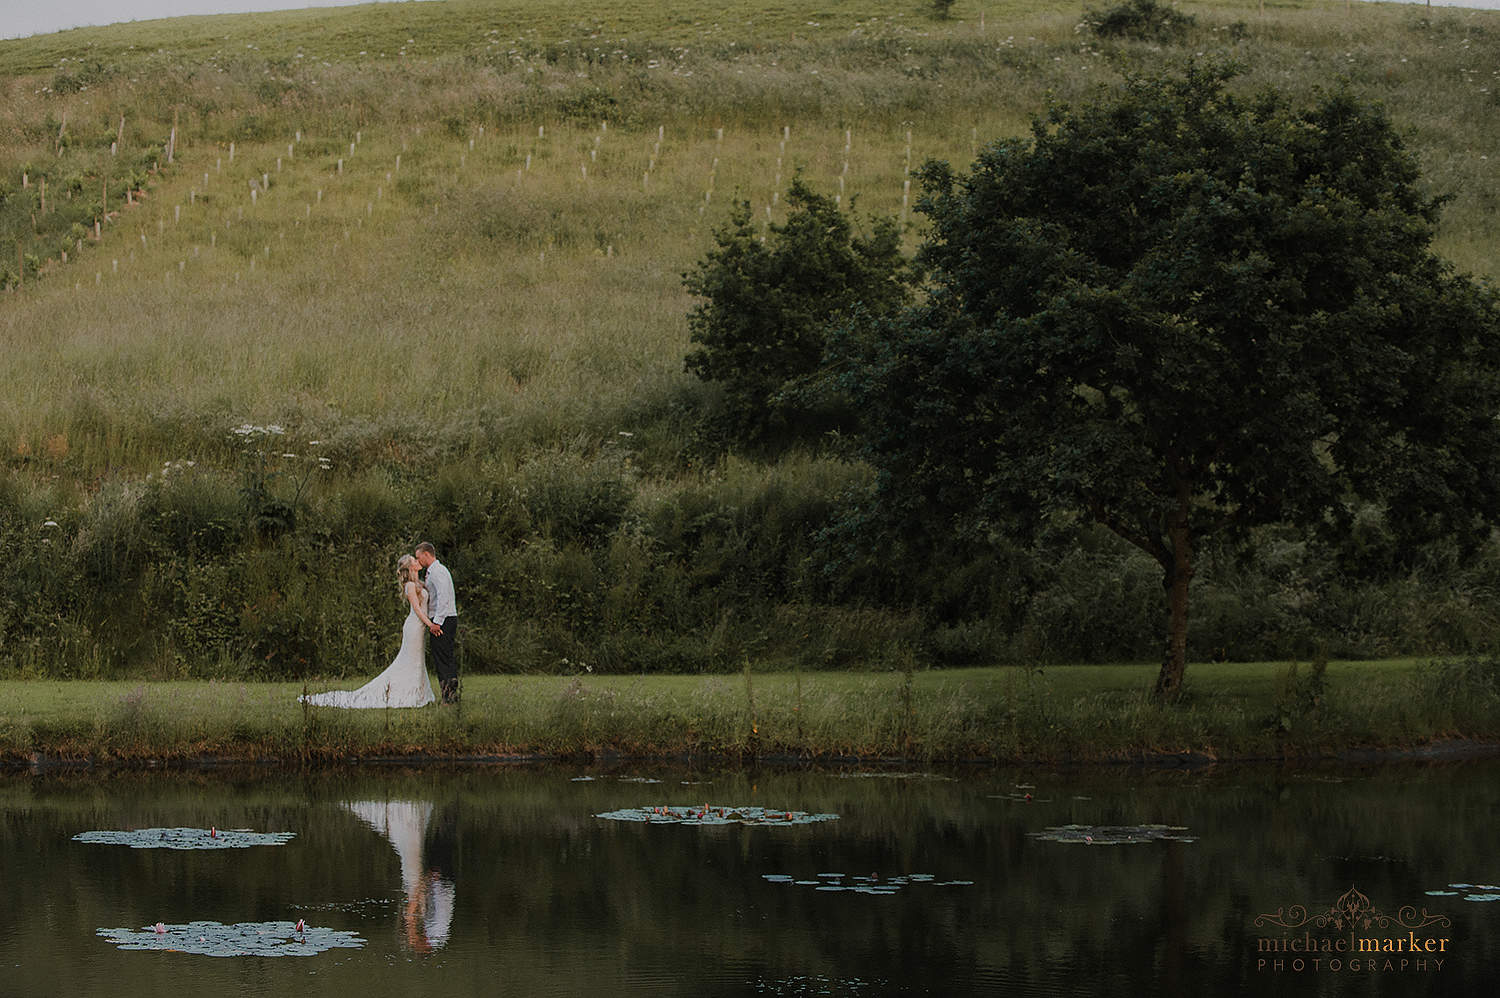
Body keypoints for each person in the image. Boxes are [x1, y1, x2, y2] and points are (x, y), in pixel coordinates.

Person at [299, 554, 436, 708]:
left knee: (417, 660)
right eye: (414, 561)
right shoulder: (410, 585)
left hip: (420, 627)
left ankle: (419, 692)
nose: (418, 562)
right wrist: (430, 624)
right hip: (415, 627)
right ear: (410, 567)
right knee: (411, 660)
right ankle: (406, 694)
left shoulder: (420, 583)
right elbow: (417, 609)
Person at [415, 541, 460, 704]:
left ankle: (449, 697)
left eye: (419, 557)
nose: (418, 561)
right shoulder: (433, 572)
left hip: (443, 619)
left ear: (427, 554)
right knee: (444, 656)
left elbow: (444, 597)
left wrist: (437, 623)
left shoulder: (438, 572)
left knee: (443, 658)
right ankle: (450, 696)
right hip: (444, 618)